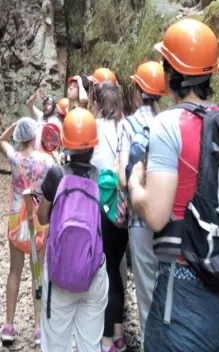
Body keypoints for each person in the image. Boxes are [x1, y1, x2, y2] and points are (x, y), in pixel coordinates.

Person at [128, 19, 219, 351]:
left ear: (170, 76)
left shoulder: (168, 124)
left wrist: (135, 185)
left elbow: (155, 215)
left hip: (185, 290)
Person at [38, 108, 109, 352]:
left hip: (60, 271)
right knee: (91, 344)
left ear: (65, 144)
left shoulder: (56, 174)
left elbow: (42, 217)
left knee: (56, 342)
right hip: (93, 271)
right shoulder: (100, 177)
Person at [118, 61, 167, 340]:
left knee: (146, 289)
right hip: (170, 220)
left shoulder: (129, 124)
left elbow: (124, 180)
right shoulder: (168, 121)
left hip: (139, 219)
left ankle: (152, 343)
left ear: (138, 91)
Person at [0, 117, 53, 345]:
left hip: (16, 216)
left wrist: (14, 126)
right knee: (37, 272)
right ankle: (39, 328)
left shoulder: (13, 158)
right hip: (39, 217)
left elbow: (1, 139)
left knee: (14, 271)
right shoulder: (47, 161)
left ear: (20, 137)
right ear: (34, 137)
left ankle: (9, 326)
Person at [91, 82, 127, 352]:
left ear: (99, 102)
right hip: (122, 209)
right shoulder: (125, 127)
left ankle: (105, 340)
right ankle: (118, 333)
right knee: (115, 268)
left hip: (100, 206)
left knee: (106, 272)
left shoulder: (95, 128)